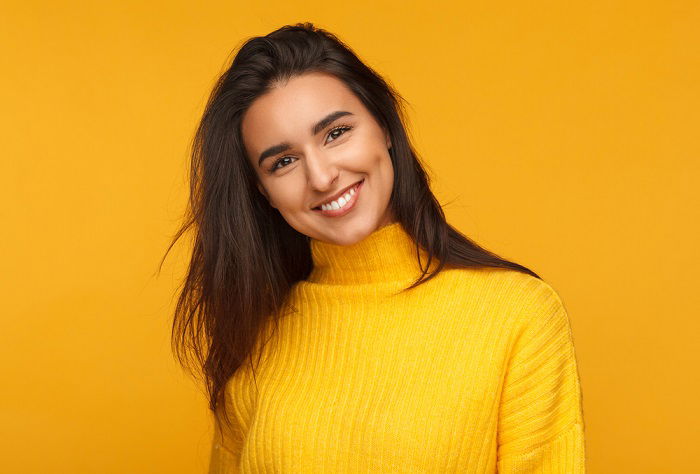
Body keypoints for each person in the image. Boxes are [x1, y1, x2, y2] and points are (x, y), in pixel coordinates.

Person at [162, 22, 586, 473]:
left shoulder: (518, 316)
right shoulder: (259, 334)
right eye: (284, 162)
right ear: (263, 191)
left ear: (384, 125)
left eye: (336, 133)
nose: (322, 176)